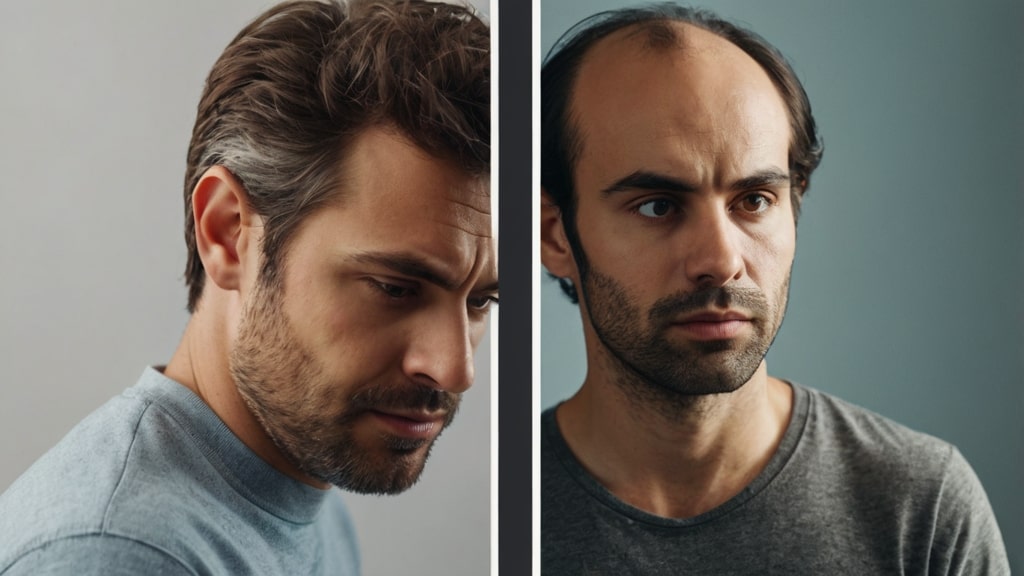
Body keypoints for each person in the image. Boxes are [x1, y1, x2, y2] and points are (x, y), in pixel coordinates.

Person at [0, 0, 493, 573]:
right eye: (394, 288)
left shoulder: (299, 476)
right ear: (229, 233)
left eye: (480, 299)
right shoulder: (118, 556)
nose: (455, 369)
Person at [539, 4, 1009, 574]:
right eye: (658, 206)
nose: (721, 261)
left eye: (754, 201)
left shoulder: (920, 508)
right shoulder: (497, 522)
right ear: (555, 234)